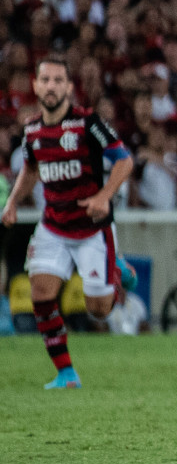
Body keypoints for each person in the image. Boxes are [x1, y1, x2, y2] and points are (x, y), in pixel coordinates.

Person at [1, 57, 138, 389]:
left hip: (92, 228)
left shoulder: (87, 123)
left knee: (99, 309)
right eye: (45, 79)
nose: (51, 86)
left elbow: (124, 160)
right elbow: (31, 170)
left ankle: (116, 269)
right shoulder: (32, 129)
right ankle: (66, 372)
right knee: (41, 295)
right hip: (54, 226)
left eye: (58, 80)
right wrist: (12, 201)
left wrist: (104, 196)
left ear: (68, 87)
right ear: (35, 85)